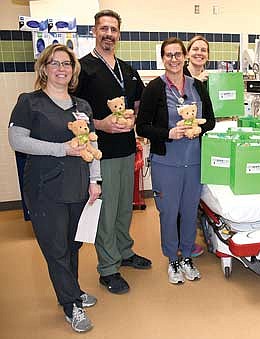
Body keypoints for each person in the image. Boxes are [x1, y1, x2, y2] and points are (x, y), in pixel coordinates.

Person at [8, 44, 100, 333]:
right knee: (56, 249)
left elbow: (92, 143)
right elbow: (17, 140)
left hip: (78, 186)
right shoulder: (29, 102)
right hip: (44, 189)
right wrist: (61, 149)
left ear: (73, 70)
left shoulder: (82, 106)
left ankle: (71, 289)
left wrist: (95, 180)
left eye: (67, 64)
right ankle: (71, 304)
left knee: (73, 244)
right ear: (44, 69)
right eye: (55, 63)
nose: (62, 68)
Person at [75, 9, 151, 295]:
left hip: (126, 150)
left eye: (113, 29)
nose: (109, 34)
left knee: (123, 209)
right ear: (94, 30)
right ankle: (108, 268)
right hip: (100, 153)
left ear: (119, 33)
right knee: (106, 212)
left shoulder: (127, 70)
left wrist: (135, 120)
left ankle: (124, 251)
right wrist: (100, 123)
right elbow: (74, 113)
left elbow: (139, 102)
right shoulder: (84, 69)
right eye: (103, 28)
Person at [136, 38, 215, 284]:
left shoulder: (198, 87)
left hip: (194, 162)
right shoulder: (154, 89)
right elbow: (142, 126)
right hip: (166, 162)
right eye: (168, 55)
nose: (173, 59)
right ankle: (172, 259)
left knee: (190, 212)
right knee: (169, 213)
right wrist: (168, 133)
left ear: (184, 57)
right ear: (163, 59)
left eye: (177, 54)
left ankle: (187, 256)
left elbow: (210, 121)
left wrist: (197, 130)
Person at [179, 34, 211, 258]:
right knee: (182, 195)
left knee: (198, 191)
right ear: (188, 53)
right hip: (183, 142)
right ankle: (182, 241)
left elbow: (213, 112)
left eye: (204, 50)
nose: (199, 53)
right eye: (195, 49)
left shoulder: (212, 80)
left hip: (205, 138)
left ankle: (197, 232)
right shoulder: (181, 77)